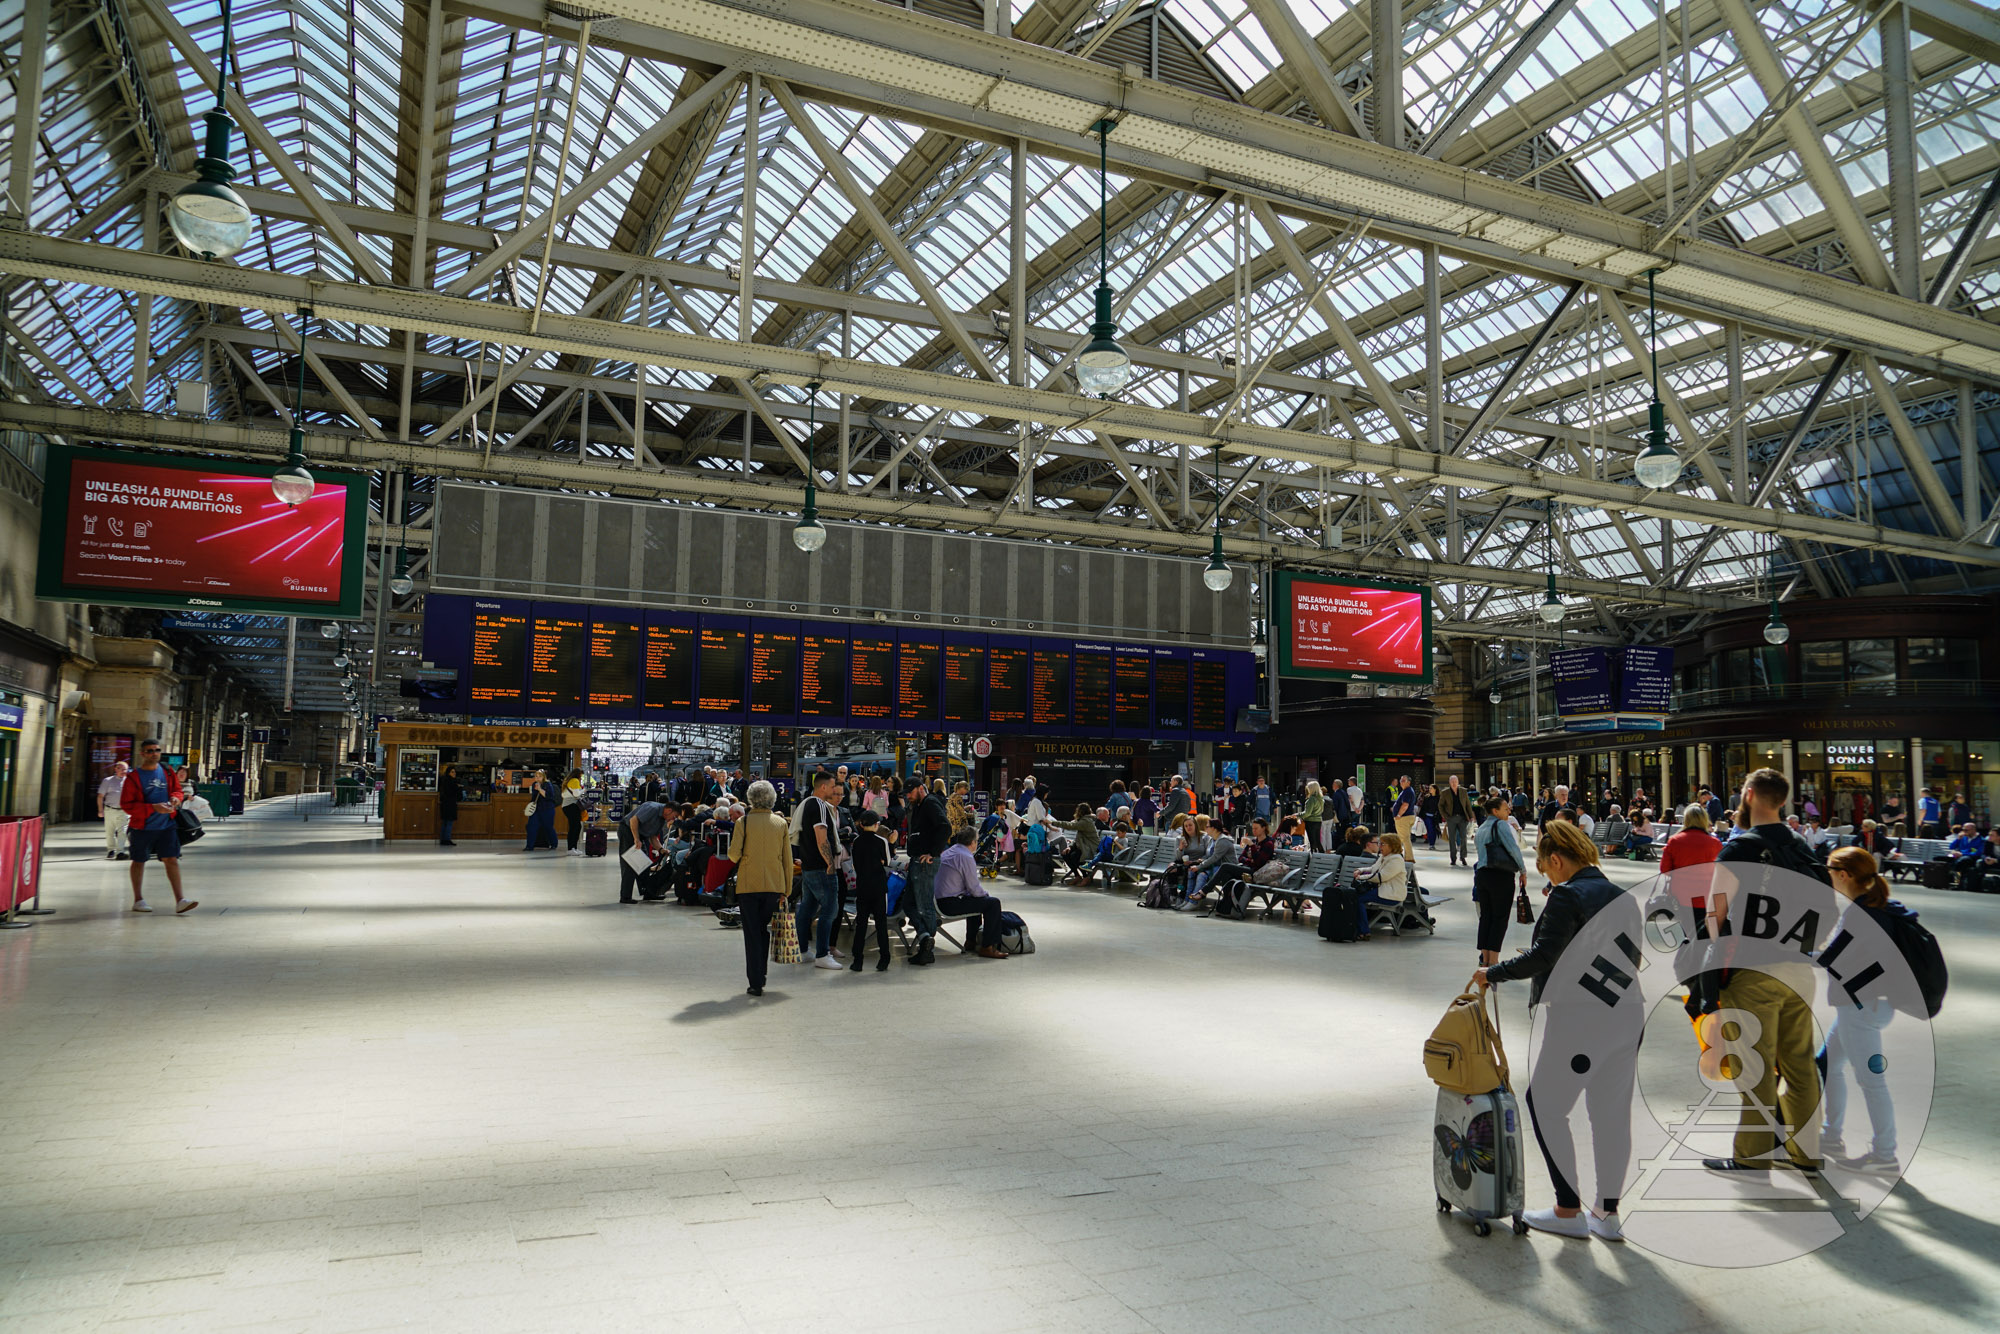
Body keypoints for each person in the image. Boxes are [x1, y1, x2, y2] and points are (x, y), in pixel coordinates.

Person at [1474, 819, 1631, 1241]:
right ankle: (1608, 1214)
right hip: (1627, 1017)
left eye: (1546, 868)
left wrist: (1494, 972)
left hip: (1580, 1018)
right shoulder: (1623, 897)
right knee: (1610, 1114)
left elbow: (1545, 955)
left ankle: (1567, 1209)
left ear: (1557, 860)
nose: (1548, 875)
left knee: (1544, 1103)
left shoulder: (1567, 895)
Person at [1702, 767, 1826, 1179]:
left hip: (1753, 970)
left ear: (1750, 794)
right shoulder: (1802, 847)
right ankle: (1806, 1154)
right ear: (1783, 800)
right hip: (1801, 969)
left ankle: (1752, 1156)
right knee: (1800, 1064)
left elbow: (1714, 914)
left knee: (1753, 1065)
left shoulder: (1740, 849)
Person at [1815, 845, 1906, 1174]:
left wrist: (1796, 950)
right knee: (1825, 1064)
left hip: (1860, 1008)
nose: (1827, 876)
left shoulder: (1859, 911)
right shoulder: (1881, 906)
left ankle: (1885, 1155)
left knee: (1871, 1082)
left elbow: (1829, 957)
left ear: (1844, 875)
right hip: (1870, 1005)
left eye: (1829, 870)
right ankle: (1830, 1135)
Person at [726, 781, 792, 996]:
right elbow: (787, 859)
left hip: (748, 885)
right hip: (774, 885)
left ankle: (756, 981)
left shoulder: (743, 823)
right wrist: (787, 888)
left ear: (751, 798)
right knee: (765, 931)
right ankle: (761, 972)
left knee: (752, 934)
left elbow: (733, 855)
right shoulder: (780, 823)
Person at [120, 740, 197, 914]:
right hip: (142, 826)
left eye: (157, 750)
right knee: (139, 861)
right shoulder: (134, 777)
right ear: (142, 754)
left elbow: (177, 790)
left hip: (166, 825)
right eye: (149, 751)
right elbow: (126, 805)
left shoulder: (167, 771)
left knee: (172, 859)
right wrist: (152, 808)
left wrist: (176, 798)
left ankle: (180, 900)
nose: (154, 753)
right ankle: (138, 899)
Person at [793, 771, 846, 970]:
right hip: (822, 867)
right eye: (833, 787)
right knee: (830, 910)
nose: (835, 791)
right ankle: (823, 954)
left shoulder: (806, 804)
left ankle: (803, 950)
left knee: (807, 908)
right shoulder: (820, 806)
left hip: (808, 865)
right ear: (823, 787)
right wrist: (830, 865)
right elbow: (821, 836)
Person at [934, 825, 1008, 958]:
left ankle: (971, 941)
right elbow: (974, 888)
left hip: (938, 900)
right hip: (949, 904)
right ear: (973, 842)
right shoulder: (965, 856)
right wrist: (986, 895)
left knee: (975, 901)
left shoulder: (950, 851)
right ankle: (988, 946)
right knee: (992, 904)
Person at [1472, 793, 1527, 967]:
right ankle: (1494, 960)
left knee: (1486, 917)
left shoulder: (1481, 828)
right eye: (1505, 808)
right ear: (1495, 811)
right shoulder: (1501, 825)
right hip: (1500, 876)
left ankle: (1485, 958)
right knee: (1500, 917)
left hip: (1482, 876)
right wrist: (1522, 870)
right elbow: (1513, 849)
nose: (1508, 810)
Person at [903, 776, 950, 967]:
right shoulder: (920, 805)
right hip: (917, 861)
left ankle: (927, 947)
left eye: (910, 792)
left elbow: (945, 827)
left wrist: (932, 852)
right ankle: (924, 938)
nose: (907, 796)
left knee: (923, 905)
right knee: (909, 903)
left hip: (925, 862)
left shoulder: (930, 803)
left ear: (920, 789)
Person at [847, 809, 896, 973]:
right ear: (876, 825)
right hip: (879, 886)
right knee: (881, 923)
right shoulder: (881, 841)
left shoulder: (857, 842)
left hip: (862, 886)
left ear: (861, 824)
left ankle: (857, 960)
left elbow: (855, 864)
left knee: (861, 922)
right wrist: (891, 844)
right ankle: (884, 959)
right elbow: (888, 861)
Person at [1349, 831, 1404, 941]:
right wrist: (1360, 870)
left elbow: (1381, 877)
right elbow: (1373, 868)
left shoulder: (1396, 860)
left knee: (1358, 899)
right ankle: (1360, 930)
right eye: (1379, 844)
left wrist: (1361, 877)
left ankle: (1363, 931)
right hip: (1382, 890)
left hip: (1391, 894)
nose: (1380, 846)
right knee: (1354, 897)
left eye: (1383, 844)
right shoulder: (1384, 857)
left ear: (1392, 845)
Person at [618, 794, 670, 904]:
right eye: (674, 816)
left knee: (644, 864)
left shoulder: (661, 819)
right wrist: (636, 839)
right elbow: (633, 820)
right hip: (627, 830)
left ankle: (648, 892)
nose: (673, 819)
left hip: (639, 835)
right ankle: (625, 897)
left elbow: (653, 838)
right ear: (669, 810)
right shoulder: (653, 808)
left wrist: (661, 850)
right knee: (631, 864)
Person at [1054, 803, 1100, 883]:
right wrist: (1070, 847)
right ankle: (1077, 876)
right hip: (1084, 847)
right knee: (1065, 854)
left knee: (1075, 856)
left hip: (1091, 848)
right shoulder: (1083, 820)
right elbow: (1078, 839)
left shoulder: (1086, 821)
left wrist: (1053, 823)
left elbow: (1070, 825)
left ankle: (1086, 877)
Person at [1439, 775, 1476, 867]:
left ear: (1458, 782)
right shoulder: (1445, 792)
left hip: (1463, 818)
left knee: (1463, 837)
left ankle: (1463, 856)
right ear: (1449, 782)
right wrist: (1445, 816)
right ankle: (1453, 858)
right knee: (1452, 839)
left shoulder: (1463, 791)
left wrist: (1471, 816)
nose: (1454, 783)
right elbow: (1440, 805)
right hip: (1451, 818)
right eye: (1452, 782)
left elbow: (1467, 804)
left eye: (1455, 781)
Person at [97, 760, 131, 860]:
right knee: (109, 831)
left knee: (123, 831)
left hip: (124, 811)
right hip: (109, 810)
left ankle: (120, 852)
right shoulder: (107, 781)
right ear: (115, 769)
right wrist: (100, 810)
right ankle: (111, 850)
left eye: (125, 769)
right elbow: (100, 796)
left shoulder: (130, 781)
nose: (123, 771)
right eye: (121, 769)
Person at [1946, 822, 1993, 892]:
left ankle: (1959, 881)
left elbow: (1978, 853)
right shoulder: (1963, 838)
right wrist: (1958, 839)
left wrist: (1962, 854)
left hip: (1971, 858)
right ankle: (1945, 880)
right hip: (1959, 857)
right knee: (1940, 859)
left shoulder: (1981, 840)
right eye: (1963, 830)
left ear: (1973, 830)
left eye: (1966, 830)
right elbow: (1951, 847)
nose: (1964, 832)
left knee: (1964, 861)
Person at [521, 769, 556, 852]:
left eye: (539, 776)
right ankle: (529, 846)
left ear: (543, 777)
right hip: (536, 809)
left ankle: (554, 843)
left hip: (547, 809)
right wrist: (529, 808)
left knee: (548, 827)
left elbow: (549, 796)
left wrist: (540, 789)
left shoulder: (548, 784)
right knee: (531, 826)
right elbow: (533, 798)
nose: (537, 778)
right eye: (536, 776)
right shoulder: (534, 785)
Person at [1389, 774, 1419, 855]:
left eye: (1403, 781)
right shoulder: (1407, 791)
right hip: (1406, 817)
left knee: (1405, 839)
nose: (1401, 782)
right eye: (1400, 780)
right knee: (1403, 838)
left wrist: (1398, 815)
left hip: (1403, 818)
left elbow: (1405, 805)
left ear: (1408, 782)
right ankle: (1401, 855)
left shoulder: (1407, 791)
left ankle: (1409, 858)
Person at [561, 768, 586, 855]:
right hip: (571, 805)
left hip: (566, 806)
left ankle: (573, 848)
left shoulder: (568, 781)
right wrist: (584, 790)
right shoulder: (575, 781)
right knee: (575, 827)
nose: (581, 778)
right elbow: (576, 794)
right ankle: (571, 848)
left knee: (574, 826)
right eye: (581, 775)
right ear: (578, 775)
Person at [438, 764, 461, 846]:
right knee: (449, 823)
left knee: (445, 822)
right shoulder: (452, 782)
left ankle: (443, 839)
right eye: (452, 772)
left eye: (455, 772)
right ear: (448, 773)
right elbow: (455, 793)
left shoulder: (444, 781)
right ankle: (447, 839)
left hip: (444, 804)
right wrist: (458, 787)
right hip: (450, 804)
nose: (454, 773)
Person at [1419, 784, 1440, 850]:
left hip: (1435, 816)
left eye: (1431, 788)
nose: (1430, 789)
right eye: (1429, 788)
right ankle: (1431, 844)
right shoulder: (1427, 797)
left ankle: (1432, 843)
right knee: (1430, 829)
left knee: (1434, 830)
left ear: (1435, 789)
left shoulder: (1439, 798)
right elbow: (1423, 807)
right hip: (1427, 816)